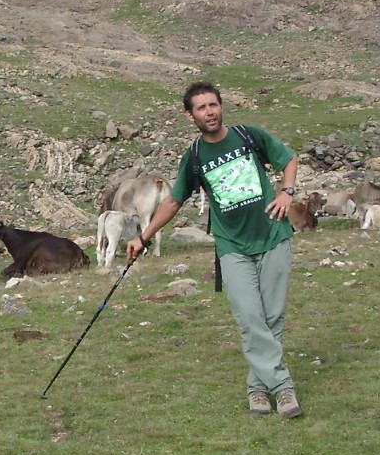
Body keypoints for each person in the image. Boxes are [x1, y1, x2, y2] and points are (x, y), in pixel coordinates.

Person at [126, 82, 303, 418]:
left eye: (213, 105)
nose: (209, 112)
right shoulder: (194, 157)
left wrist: (287, 191)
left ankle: (257, 389)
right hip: (232, 246)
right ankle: (282, 388)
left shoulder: (248, 136)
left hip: (272, 236)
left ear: (221, 106)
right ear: (189, 115)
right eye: (202, 108)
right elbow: (174, 201)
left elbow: (289, 159)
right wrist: (143, 237)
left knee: (271, 318)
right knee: (249, 317)